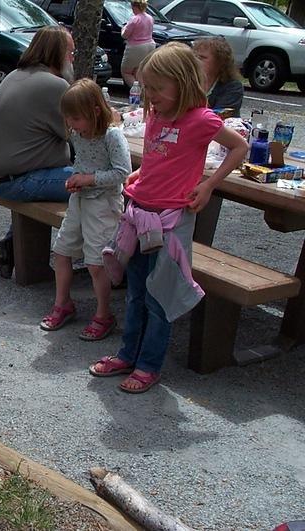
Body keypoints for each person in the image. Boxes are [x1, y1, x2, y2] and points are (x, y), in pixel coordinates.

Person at [89, 42, 247, 393]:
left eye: (158, 88)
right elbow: (160, 157)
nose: (152, 95)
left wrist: (208, 186)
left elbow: (240, 147)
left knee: (159, 296)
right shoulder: (157, 115)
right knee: (136, 292)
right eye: (148, 88)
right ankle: (128, 353)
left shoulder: (202, 120)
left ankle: (149, 365)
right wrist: (141, 173)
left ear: (182, 82)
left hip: (172, 219)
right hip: (139, 212)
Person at [0, 26, 75, 279]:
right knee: (96, 184)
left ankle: (11, 245)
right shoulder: (55, 85)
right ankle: (110, 262)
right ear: (57, 54)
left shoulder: (15, 74)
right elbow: (76, 132)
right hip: (13, 179)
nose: (73, 58)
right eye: (71, 52)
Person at [39, 78, 131, 341]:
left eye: (76, 119)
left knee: (95, 262)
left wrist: (88, 179)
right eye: (68, 119)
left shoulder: (112, 136)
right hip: (80, 201)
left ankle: (104, 314)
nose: (71, 125)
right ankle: (62, 304)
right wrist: (76, 179)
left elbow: (122, 172)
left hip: (104, 204)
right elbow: (81, 162)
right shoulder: (78, 134)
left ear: (95, 111)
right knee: (62, 251)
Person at [193, 36, 244, 115]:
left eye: (202, 57)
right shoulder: (188, 81)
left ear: (220, 61)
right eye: (195, 56)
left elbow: (220, 116)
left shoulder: (233, 87)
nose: (195, 60)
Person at [121, 0, 155, 88]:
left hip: (136, 46)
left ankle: (139, 92)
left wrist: (123, 29)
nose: (132, 9)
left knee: (126, 72)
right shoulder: (150, 18)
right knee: (138, 71)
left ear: (135, 7)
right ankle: (144, 90)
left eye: (132, 7)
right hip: (150, 45)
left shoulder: (135, 19)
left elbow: (125, 35)